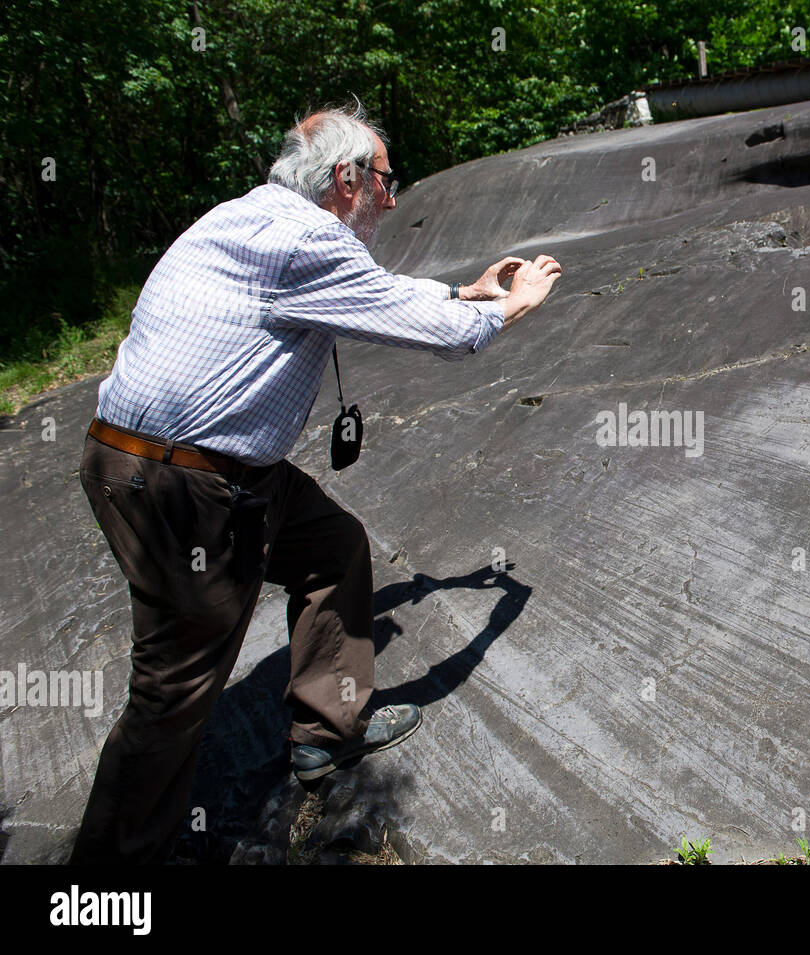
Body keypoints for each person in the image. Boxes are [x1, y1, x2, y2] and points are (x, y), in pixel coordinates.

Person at [68, 99, 561, 863]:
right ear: (346, 178)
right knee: (173, 692)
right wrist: (508, 307)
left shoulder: (246, 218)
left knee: (333, 549)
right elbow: (440, 336)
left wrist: (465, 289)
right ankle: (102, 888)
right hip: (187, 486)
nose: (393, 201)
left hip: (149, 462)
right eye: (388, 183)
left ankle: (324, 737)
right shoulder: (308, 242)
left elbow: (375, 295)